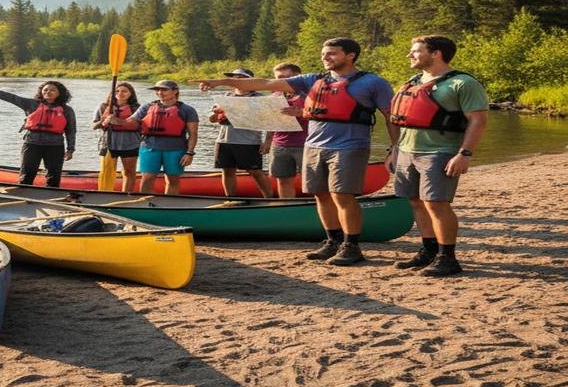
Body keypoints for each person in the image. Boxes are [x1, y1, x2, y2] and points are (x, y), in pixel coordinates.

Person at [194, 38, 398, 266]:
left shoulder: (373, 82)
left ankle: (352, 246)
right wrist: (219, 82)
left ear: (350, 55)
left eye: (331, 53)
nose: (325, 57)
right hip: (314, 145)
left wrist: (395, 148)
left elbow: (391, 116)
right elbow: (267, 83)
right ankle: (333, 240)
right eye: (323, 53)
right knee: (320, 194)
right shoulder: (312, 80)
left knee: (343, 196)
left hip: (349, 146)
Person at [388, 35, 488, 277]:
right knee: (415, 201)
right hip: (407, 151)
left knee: (436, 203)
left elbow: (478, 121)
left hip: (439, 152)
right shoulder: (413, 81)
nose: (410, 55)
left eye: (416, 51)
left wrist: (464, 154)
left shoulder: (462, 83)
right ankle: (429, 250)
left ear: (436, 53)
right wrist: (394, 150)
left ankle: (447, 257)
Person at [0, 81, 76, 187]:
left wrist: (70, 149)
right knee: (26, 175)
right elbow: (10, 97)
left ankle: (51, 195)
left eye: (52, 90)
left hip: (55, 146)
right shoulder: (31, 104)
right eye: (45, 90)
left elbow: (71, 130)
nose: (48, 92)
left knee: (54, 177)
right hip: (32, 144)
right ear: (41, 92)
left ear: (59, 93)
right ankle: (24, 193)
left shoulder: (67, 110)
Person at [107, 80, 199, 195]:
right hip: (149, 147)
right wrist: (115, 120)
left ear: (175, 91)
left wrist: (189, 153)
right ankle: (146, 204)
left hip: (175, 149)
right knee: (147, 178)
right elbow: (130, 122)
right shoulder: (147, 107)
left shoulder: (187, 110)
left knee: (172, 179)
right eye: (157, 90)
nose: (160, 92)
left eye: (164, 89)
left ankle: (169, 203)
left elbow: (193, 133)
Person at [210, 68, 273, 197]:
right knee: (227, 171)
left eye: (240, 77)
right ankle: (231, 199)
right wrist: (214, 114)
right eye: (234, 77)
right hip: (224, 140)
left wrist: (267, 141)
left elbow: (271, 122)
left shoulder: (259, 98)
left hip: (248, 141)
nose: (236, 80)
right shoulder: (226, 96)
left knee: (255, 171)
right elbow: (213, 119)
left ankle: (269, 199)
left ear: (250, 80)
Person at [265, 63, 308, 200]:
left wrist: (301, 113)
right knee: (283, 180)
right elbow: (270, 121)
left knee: (313, 181)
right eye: (278, 77)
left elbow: (326, 115)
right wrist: (267, 141)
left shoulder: (310, 94)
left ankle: (322, 207)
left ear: (298, 76)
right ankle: (287, 206)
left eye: (286, 77)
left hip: (306, 144)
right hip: (280, 145)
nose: (281, 81)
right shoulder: (274, 95)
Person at [92, 82, 142, 193]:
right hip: (109, 144)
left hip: (130, 143)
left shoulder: (137, 108)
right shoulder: (104, 106)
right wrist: (103, 122)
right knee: (106, 171)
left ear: (130, 94)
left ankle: (126, 194)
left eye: (124, 91)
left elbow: (141, 126)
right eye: (117, 91)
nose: (120, 93)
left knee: (129, 172)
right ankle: (104, 194)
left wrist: (119, 121)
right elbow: (94, 126)